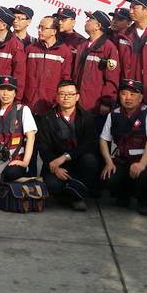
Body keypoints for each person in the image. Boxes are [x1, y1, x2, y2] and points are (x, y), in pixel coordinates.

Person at [35, 80, 100, 211]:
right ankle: (68, 194)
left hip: (78, 161)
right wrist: (55, 167)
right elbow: (43, 147)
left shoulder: (86, 117)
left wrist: (65, 157)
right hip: (56, 163)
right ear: (57, 96)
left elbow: (88, 144)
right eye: (62, 94)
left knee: (90, 161)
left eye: (70, 94)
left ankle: (77, 197)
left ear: (77, 97)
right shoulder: (47, 118)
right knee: (53, 185)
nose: (66, 97)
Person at [99, 79, 147, 215]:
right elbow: (103, 139)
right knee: (109, 177)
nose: (128, 98)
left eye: (133, 95)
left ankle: (144, 201)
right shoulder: (114, 114)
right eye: (124, 94)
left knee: (143, 176)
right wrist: (109, 162)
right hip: (123, 159)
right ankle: (123, 196)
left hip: (143, 160)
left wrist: (142, 164)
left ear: (141, 97)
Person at [0, 75, 36, 186]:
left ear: (15, 93)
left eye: (10, 90)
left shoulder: (23, 110)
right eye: (2, 89)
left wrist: (25, 162)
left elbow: (31, 137)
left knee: (9, 173)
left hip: (14, 160)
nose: (5, 93)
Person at [24, 15, 73, 116]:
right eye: (39, 27)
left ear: (54, 31)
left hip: (50, 105)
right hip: (28, 103)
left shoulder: (64, 52)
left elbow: (65, 78)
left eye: (43, 28)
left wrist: (57, 101)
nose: (39, 31)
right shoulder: (30, 48)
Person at [74, 10, 119, 119]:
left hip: (95, 104)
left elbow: (112, 78)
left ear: (98, 26)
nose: (86, 21)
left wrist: (106, 102)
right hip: (77, 101)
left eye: (89, 19)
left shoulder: (109, 47)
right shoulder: (82, 45)